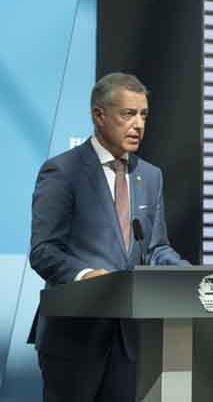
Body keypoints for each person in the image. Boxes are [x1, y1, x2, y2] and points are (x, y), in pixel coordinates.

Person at [27, 72, 189, 402]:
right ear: (99, 115)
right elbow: (44, 251)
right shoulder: (63, 171)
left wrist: (184, 271)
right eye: (128, 114)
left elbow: (155, 247)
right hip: (73, 337)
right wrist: (87, 276)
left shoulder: (150, 176)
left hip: (126, 336)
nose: (139, 124)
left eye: (143, 115)